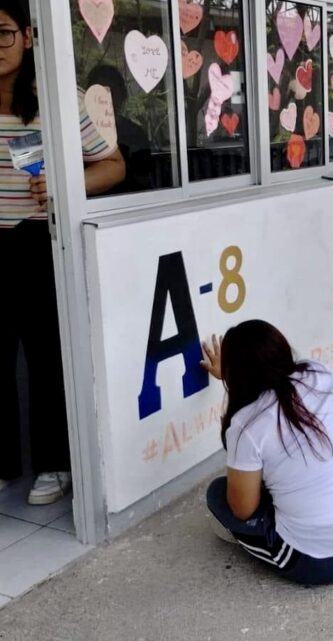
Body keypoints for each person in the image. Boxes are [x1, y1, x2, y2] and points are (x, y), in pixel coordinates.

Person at [0, 0, 125, 504]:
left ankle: (56, 464)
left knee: (49, 356)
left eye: (3, 33)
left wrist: (65, 187)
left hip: (39, 242)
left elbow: (112, 165)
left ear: (28, 36)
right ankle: (3, 465)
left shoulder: (54, 98)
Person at [201, 320, 333, 585]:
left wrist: (230, 378)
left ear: (234, 374)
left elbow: (243, 510)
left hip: (318, 561)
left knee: (219, 494)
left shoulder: (245, 425)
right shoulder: (320, 373)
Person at [86, 64, 153, 194]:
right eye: (100, 93)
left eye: (112, 92)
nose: (106, 98)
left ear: (122, 96)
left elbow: (143, 182)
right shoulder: (80, 132)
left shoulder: (135, 134)